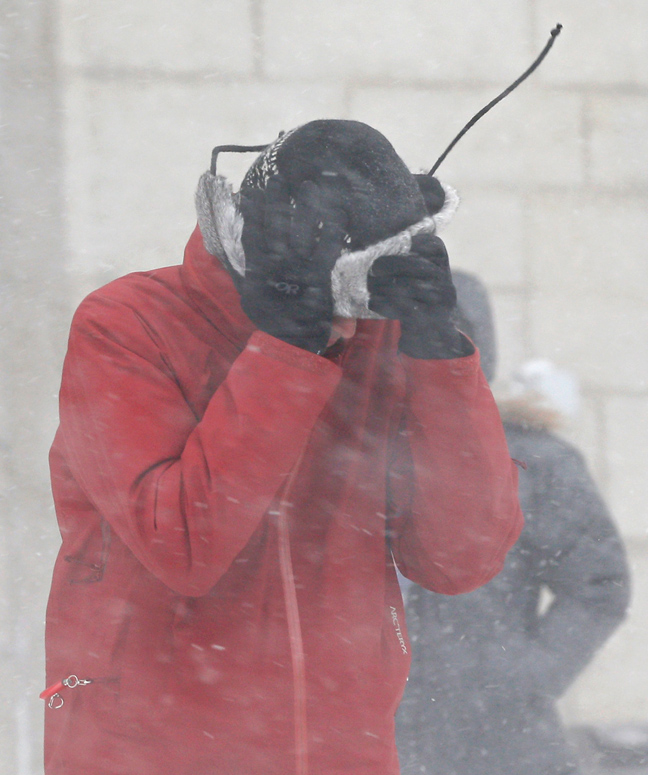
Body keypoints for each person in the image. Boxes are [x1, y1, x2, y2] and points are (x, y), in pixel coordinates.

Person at [42, 120, 523, 775]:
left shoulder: (376, 342)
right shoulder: (127, 324)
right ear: (243, 234)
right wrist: (290, 350)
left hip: (342, 749)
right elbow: (183, 541)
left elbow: (461, 557)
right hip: (151, 749)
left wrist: (442, 355)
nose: (351, 306)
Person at [396, 271, 630, 775]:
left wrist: (525, 676)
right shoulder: (347, 453)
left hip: (498, 741)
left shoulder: (532, 460)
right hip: (368, 732)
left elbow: (598, 585)